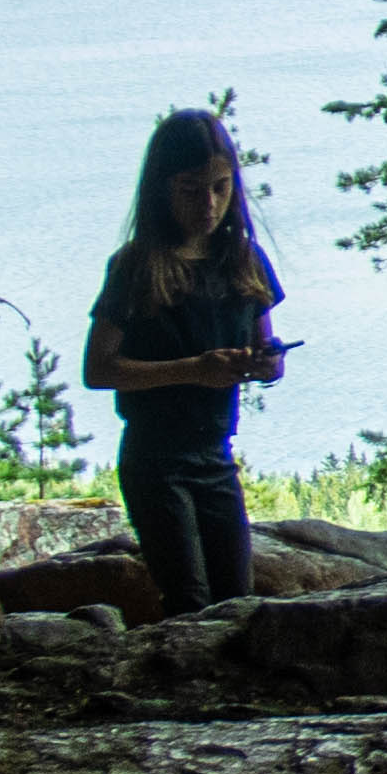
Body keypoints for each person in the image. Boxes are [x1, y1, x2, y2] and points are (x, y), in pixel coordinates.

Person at [83, 105, 287, 612]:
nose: (210, 204)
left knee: (236, 601)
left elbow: (271, 353)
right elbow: (99, 369)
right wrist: (194, 370)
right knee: (189, 602)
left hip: (216, 455)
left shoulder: (243, 260)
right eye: (192, 191)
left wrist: (265, 365)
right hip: (155, 460)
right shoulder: (136, 266)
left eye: (221, 188)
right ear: (162, 190)